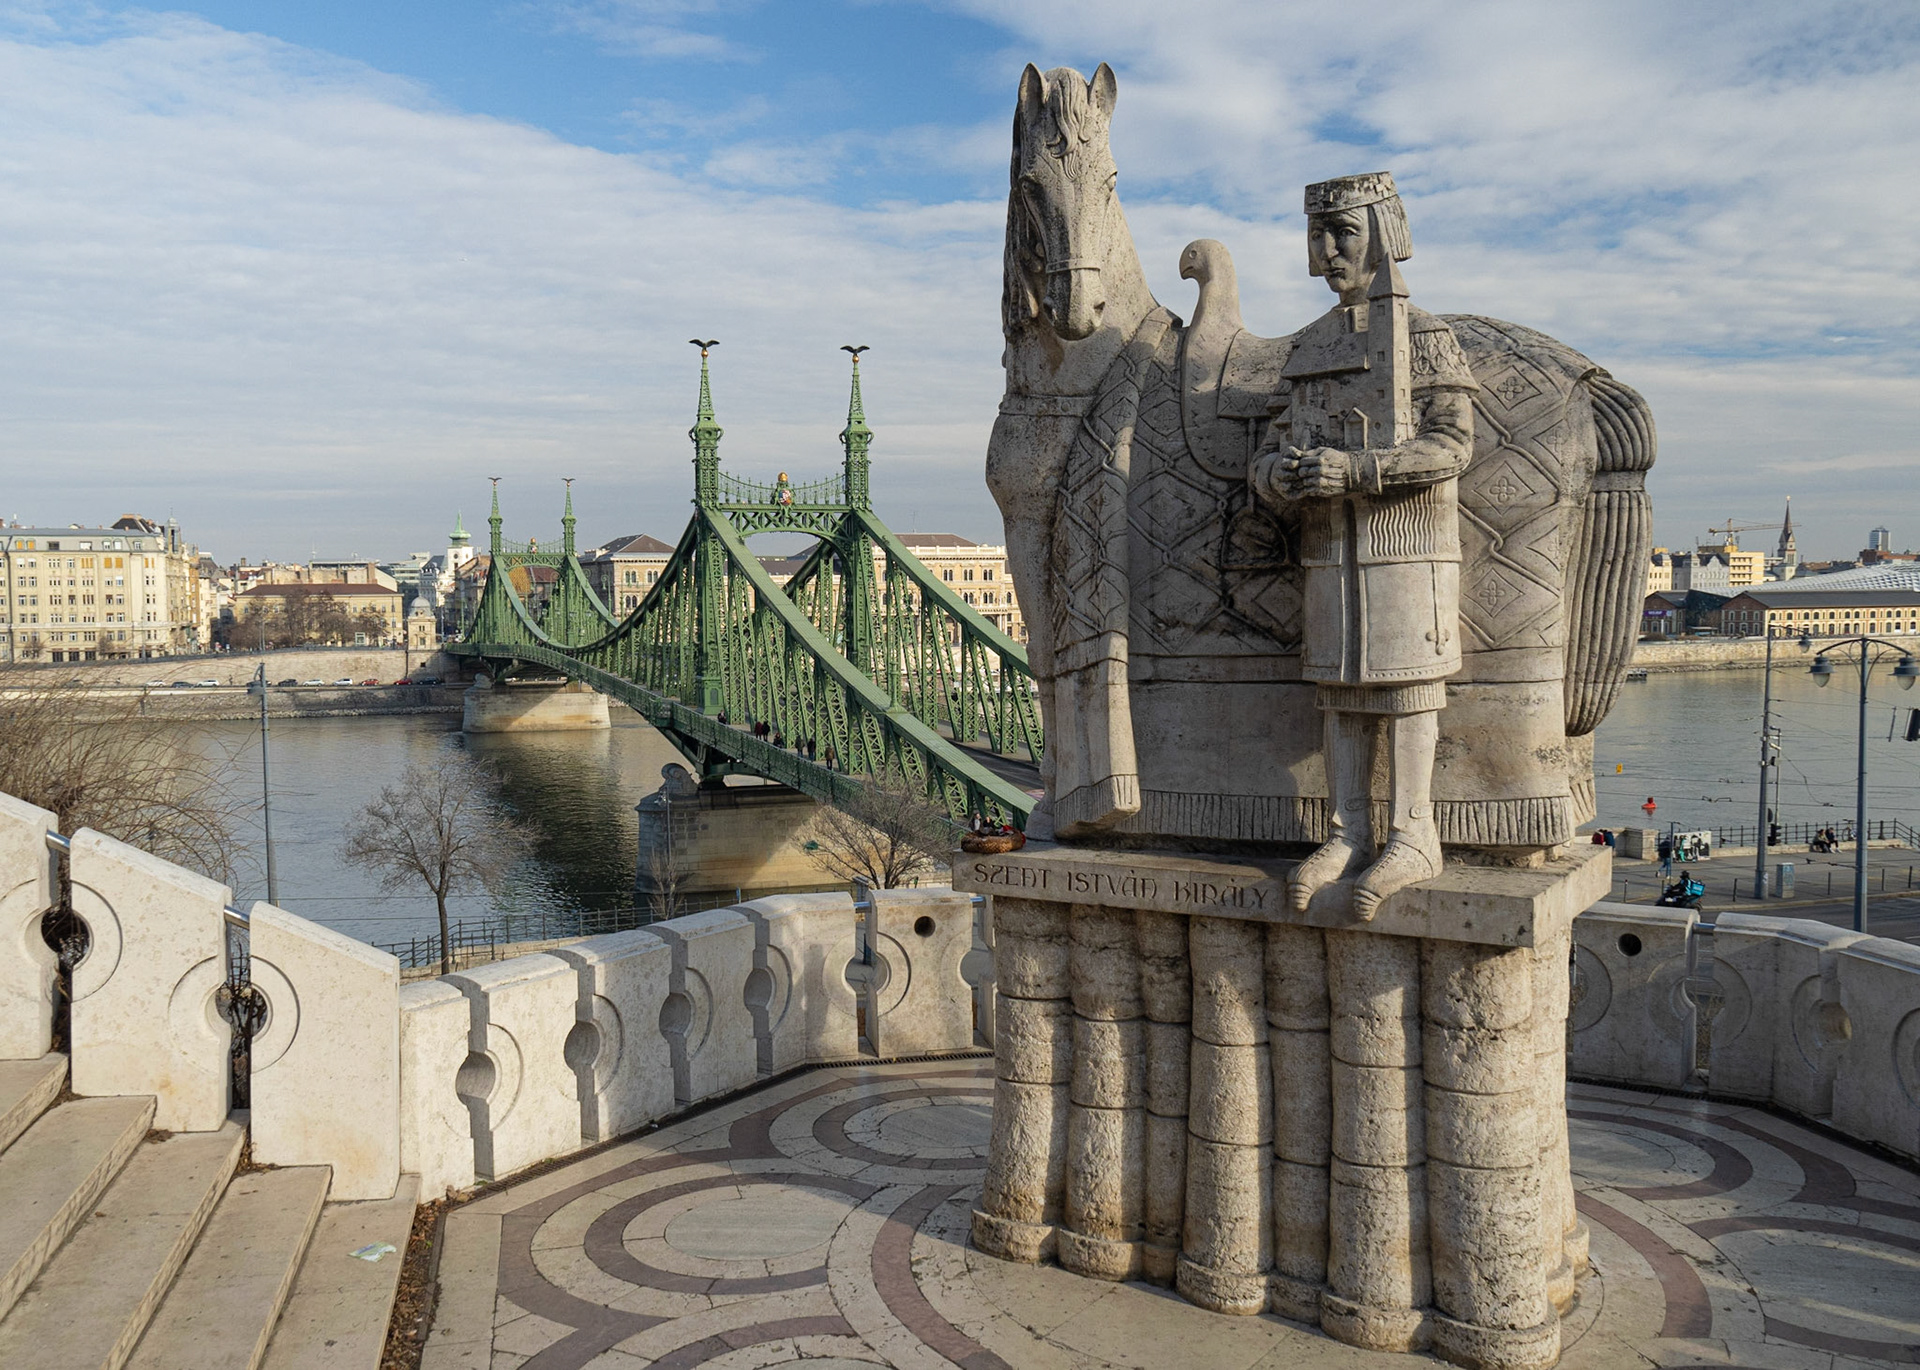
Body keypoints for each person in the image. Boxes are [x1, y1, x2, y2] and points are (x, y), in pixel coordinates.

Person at [1250, 171, 1477, 917]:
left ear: (1382, 233)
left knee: (1407, 689)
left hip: (1405, 548)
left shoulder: (1427, 337)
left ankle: (1414, 832)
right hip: (1329, 552)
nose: (1325, 251)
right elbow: (1268, 453)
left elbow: (1451, 444)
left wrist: (1362, 468)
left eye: (1342, 232)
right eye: (1317, 235)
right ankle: (1349, 830)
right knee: (1341, 690)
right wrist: (1280, 476)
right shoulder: (1310, 346)